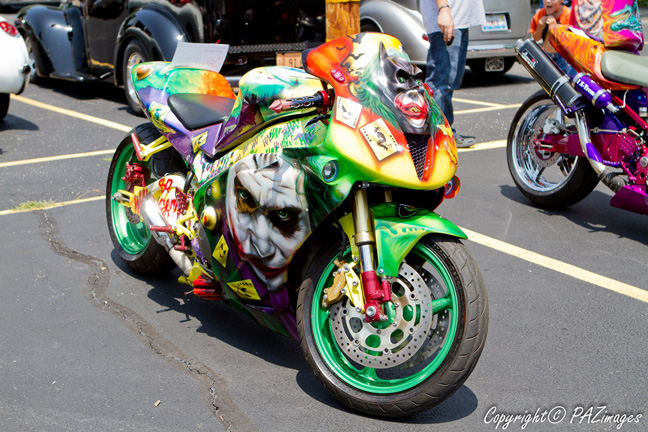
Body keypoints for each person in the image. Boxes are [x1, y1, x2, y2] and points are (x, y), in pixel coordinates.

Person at [419, 0, 485, 148]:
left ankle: (444, 133)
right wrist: (443, 9)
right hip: (448, 18)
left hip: (457, 19)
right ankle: (437, 136)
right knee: (440, 81)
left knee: (449, 80)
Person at [530, 0, 576, 76]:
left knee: (562, 81)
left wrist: (555, 28)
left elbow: (569, 42)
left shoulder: (568, 15)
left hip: (563, 58)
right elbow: (536, 38)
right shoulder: (540, 14)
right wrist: (540, 28)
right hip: (547, 56)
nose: (548, 1)